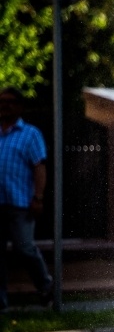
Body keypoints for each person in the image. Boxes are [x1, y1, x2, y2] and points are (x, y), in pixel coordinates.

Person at [0, 87, 53, 312]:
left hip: (20, 203)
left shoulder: (30, 134)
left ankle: (46, 288)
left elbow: (39, 167)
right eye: (2, 101)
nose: (6, 106)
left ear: (20, 106)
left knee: (25, 249)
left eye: (11, 101)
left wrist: (38, 198)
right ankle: (1, 304)